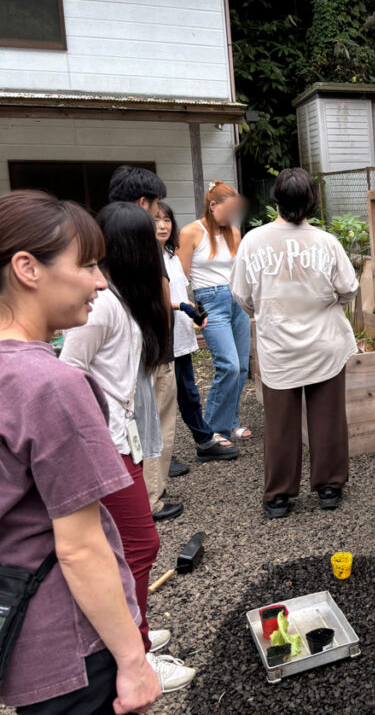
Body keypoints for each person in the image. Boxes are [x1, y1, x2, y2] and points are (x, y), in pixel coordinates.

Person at [0, 190, 161, 714]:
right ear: (27, 268)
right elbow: (80, 547)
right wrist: (134, 662)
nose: (100, 281)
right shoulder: (51, 385)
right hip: (70, 648)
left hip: (19, 637)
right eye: (87, 265)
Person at [61, 202, 196, 693]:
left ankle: (133, 629)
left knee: (128, 546)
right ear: (137, 248)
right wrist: (97, 433)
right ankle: (134, 655)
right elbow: (69, 372)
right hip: (107, 445)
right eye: (151, 237)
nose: (161, 239)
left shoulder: (122, 297)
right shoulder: (102, 307)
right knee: (139, 545)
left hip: (123, 438)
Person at [231, 168, 359, 519]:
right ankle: (329, 488)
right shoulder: (326, 242)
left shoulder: (253, 241)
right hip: (324, 342)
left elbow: (241, 295)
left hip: (278, 346)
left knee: (280, 425)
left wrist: (270, 310)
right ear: (311, 202)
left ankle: (279, 497)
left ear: (275, 199)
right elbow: (349, 288)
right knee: (328, 418)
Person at [108, 165, 182, 521]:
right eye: (155, 207)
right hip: (151, 351)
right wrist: (164, 347)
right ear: (142, 203)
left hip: (118, 354)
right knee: (156, 423)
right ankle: (152, 498)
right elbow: (163, 295)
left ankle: (135, 496)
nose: (157, 216)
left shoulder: (102, 235)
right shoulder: (145, 242)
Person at [153, 202, 239, 482]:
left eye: (167, 220)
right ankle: (159, 456)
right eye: (156, 220)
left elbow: (180, 291)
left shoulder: (171, 256)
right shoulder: (147, 257)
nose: (162, 226)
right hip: (160, 340)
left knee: (188, 394)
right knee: (161, 400)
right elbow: (154, 298)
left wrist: (192, 309)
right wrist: (180, 306)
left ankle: (204, 441)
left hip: (179, 336)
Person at [178, 181, 251, 442]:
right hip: (209, 301)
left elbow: (240, 271)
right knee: (228, 365)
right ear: (212, 205)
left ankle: (231, 423)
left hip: (236, 300)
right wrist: (190, 312)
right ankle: (213, 430)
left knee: (241, 367)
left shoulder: (234, 232)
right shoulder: (190, 232)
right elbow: (182, 277)